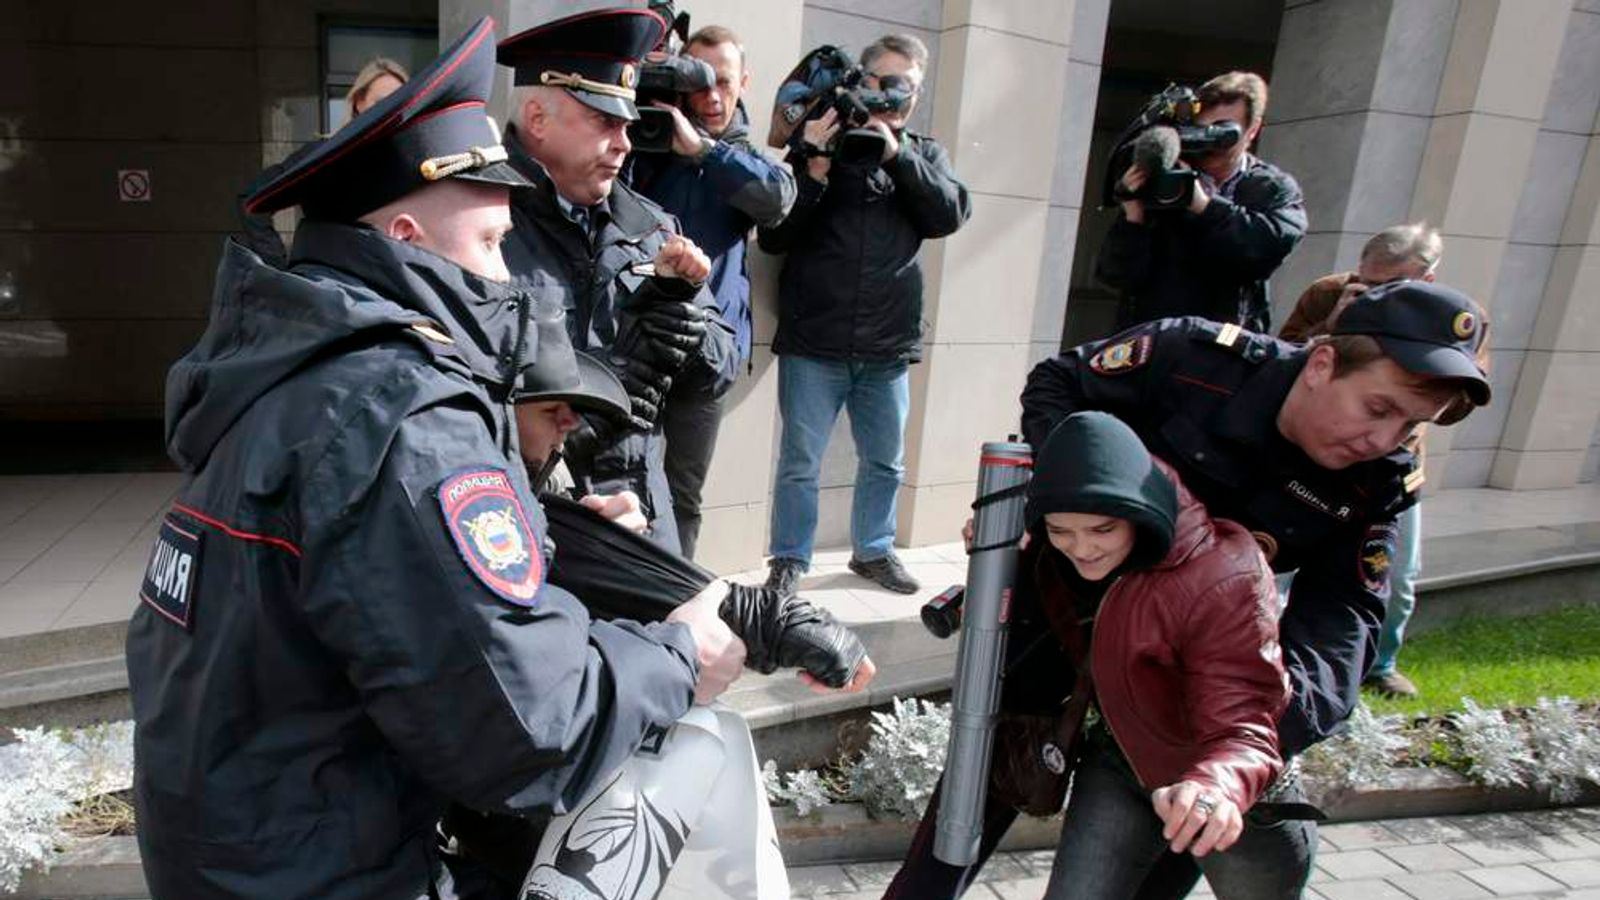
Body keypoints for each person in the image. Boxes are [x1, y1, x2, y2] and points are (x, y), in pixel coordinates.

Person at [124, 20, 745, 898]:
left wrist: (532, 530)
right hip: (327, 870)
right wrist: (678, 655)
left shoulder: (288, 363)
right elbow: (530, 732)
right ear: (409, 237)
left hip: (238, 849)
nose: (503, 278)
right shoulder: (404, 409)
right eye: (490, 245)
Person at [1014, 281, 1491, 898]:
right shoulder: (1196, 358)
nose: (1383, 439)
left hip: (1218, 709)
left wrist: (1253, 735)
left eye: (1410, 425)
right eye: (1377, 408)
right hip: (1089, 648)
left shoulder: (1379, 479)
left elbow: (1345, 619)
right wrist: (1070, 504)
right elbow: (1058, 384)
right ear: (1322, 364)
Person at [886, 411, 1295, 898]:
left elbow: (1245, 722)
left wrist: (1217, 784)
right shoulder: (1050, 550)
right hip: (1119, 761)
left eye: (1103, 529)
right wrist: (1001, 551)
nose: (1082, 548)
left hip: (1215, 781)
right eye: (1062, 530)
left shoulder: (1224, 575)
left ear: (1139, 511)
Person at [496, 7, 739, 556]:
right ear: (537, 118)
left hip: (644, 513)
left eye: (628, 125)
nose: (624, 143)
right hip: (530, 516)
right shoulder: (481, 227)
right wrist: (607, 387)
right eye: (605, 122)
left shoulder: (650, 226)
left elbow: (719, 371)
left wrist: (685, 328)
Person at [757, 33, 971, 597]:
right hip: (815, 340)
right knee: (800, 462)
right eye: (889, 82)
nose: (899, 97)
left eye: (910, 88)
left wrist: (896, 155)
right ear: (862, 80)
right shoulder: (818, 142)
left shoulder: (922, 153)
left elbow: (948, 215)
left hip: (887, 344)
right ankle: (790, 558)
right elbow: (775, 237)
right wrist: (813, 170)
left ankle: (873, 550)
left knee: (885, 461)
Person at [1278, 223, 1475, 698]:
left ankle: (1379, 665)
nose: (1375, 293)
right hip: (1312, 454)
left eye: (1391, 286)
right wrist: (1334, 328)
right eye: (1368, 282)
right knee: (1274, 565)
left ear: (1426, 280)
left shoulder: (1456, 319)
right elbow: (1282, 356)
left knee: (1392, 576)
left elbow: (1460, 403)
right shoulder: (1328, 294)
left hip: (1389, 474)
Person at [630, 23, 798, 559]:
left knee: (682, 494)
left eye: (724, 81)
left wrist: (703, 150)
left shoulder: (740, 155)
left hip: (705, 352)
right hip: (637, 342)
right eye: (699, 83)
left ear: (744, 82)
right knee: (627, 481)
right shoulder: (647, 137)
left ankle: (678, 592)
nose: (712, 96)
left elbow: (777, 201)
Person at [1097, 71, 1306, 334]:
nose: (1209, 142)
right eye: (1199, 129)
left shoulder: (1273, 188)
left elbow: (1262, 251)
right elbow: (1115, 275)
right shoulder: (1165, 179)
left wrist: (1204, 206)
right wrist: (1133, 216)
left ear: (1252, 131)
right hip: (1154, 338)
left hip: (1224, 341)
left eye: (1223, 131)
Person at [234, 57, 412, 267]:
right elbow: (252, 201)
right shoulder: (325, 155)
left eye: (398, 102)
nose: (389, 110)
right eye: (381, 102)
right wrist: (277, 267)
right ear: (359, 103)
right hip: (333, 281)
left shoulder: (411, 159)